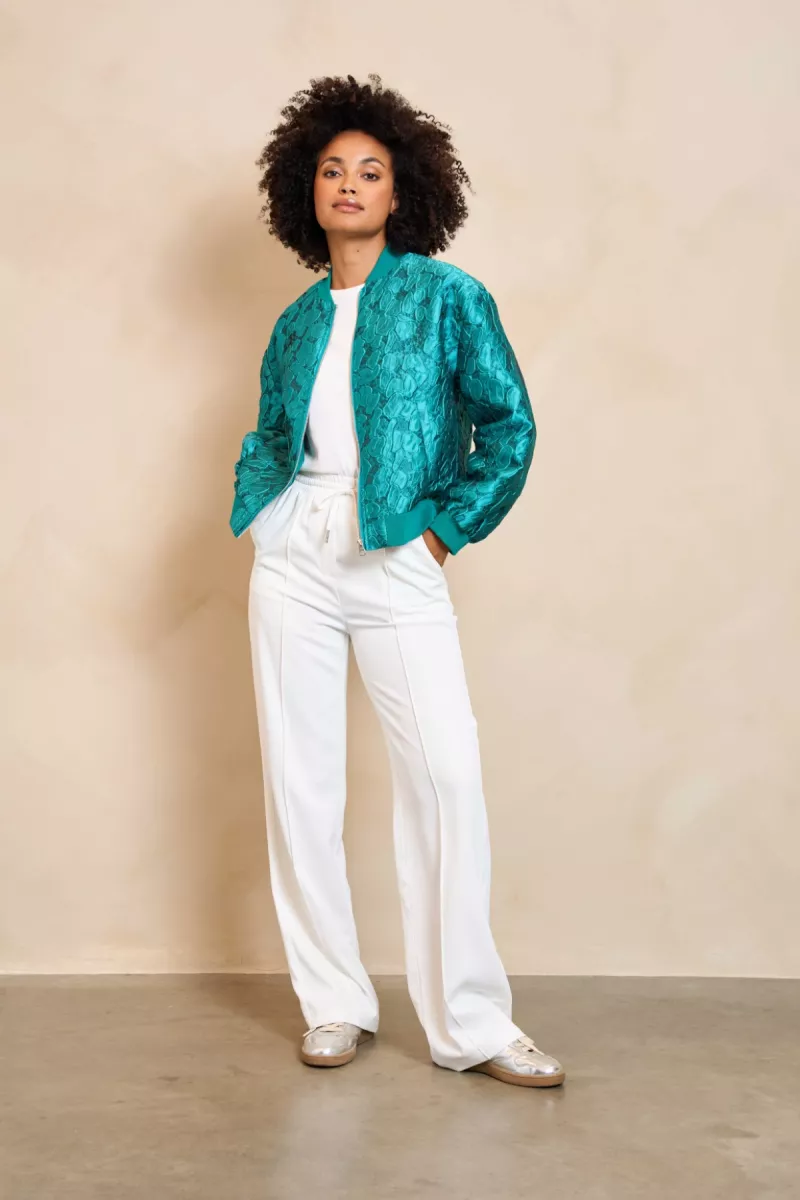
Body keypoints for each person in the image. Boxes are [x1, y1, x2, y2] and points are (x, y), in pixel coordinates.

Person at [230, 73, 565, 1088]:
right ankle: (332, 1001)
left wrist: (442, 534)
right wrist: (265, 513)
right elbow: (270, 433)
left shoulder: (446, 297)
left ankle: (471, 1022)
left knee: (443, 776)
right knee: (300, 782)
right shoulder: (296, 320)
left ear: (402, 189)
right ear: (304, 188)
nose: (349, 183)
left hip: (395, 549)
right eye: (332, 169)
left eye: (370, 171)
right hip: (296, 550)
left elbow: (509, 425)